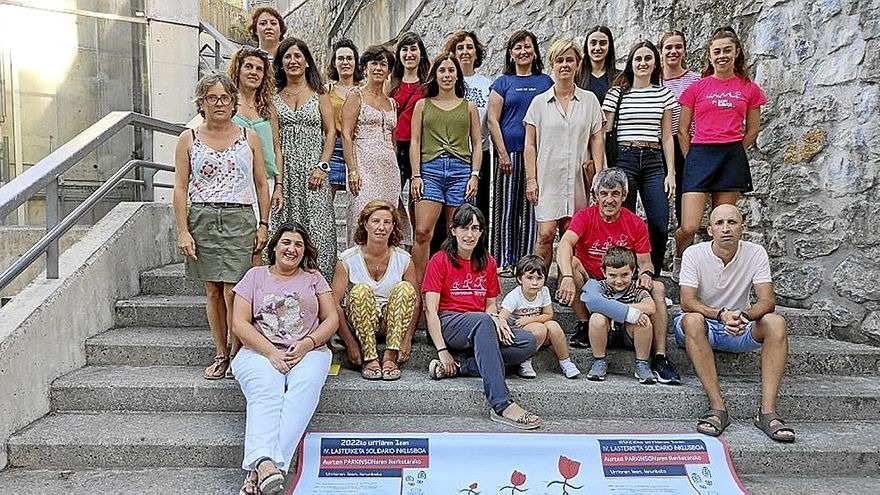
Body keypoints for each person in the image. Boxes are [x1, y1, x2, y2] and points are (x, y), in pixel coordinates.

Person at [173, 73, 270, 381]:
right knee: (213, 290)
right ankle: (221, 352)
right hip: (202, 217)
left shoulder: (248, 137)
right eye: (211, 98)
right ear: (201, 102)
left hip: (239, 217)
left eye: (224, 98)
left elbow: (260, 183)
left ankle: (238, 351)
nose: (219, 103)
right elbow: (179, 187)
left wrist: (263, 223)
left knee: (235, 290)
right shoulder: (188, 138)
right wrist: (182, 230)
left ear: (233, 101)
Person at [230, 223, 338, 495]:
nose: (292, 249)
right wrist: (270, 352)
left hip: (309, 351)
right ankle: (270, 467)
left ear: (305, 251)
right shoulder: (254, 276)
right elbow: (239, 324)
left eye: (299, 245)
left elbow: (332, 318)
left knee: (303, 393)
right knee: (267, 390)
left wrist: (307, 344)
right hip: (258, 350)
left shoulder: (314, 277)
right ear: (275, 247)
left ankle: (261, 469)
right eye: (286, 243)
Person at [675, 204, 794, 443]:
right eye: (719, 223)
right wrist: (720, 315)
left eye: (731, 222)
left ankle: (767, 412)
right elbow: (687, 301)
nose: (726, 228)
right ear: (710, 230)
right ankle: (717, 408)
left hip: (739, 325)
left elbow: (767, 300)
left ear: (743, 228)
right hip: (704, 325)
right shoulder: (694, 254)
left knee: (776, 322)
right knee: (692, 319)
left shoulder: (756, 252)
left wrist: (743, 316)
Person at [556, 168, 681, 385]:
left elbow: (645, 262)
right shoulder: (585, 216)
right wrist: (566, 275)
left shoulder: (635, 223)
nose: (609, 200)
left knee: (659, 288)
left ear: (624, 195)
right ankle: (585, 324)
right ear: (595, 195)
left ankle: (660, 356)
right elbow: (565, 243)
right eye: (604, 193)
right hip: (593, 281)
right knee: (571, 263)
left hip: (622, 283)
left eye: (615, 194)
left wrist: (646, 275)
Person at [422, 204, 541, 429]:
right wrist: (442, 350)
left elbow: (490, 306)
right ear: (453, 230)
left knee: (528, 341)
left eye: (475, 228)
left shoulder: (487, 262)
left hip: (480, 324)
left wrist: (498, 320)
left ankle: (460, 367)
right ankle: (502, 404)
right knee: (483, 321)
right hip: (450, 323)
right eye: (465, 228)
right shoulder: (439, 260)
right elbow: (431, 310)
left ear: (481, 232)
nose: (470, 234)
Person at [672, 27, 767, 282]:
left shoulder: (749, 88)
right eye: (717, 51)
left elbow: (753, 130)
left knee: (723, 225)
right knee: (689, 226)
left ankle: (717, 273)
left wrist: (733, 150)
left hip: (730, 157)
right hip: (700, 155)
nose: (722, 55)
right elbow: (682, 130)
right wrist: (692, 157)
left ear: (736, 53)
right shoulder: (697, 88)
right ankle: (680, 259)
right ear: (709, 56)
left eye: (727, 50)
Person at [524, 38, 605, 269]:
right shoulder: (539, 103)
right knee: (546, 234)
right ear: (552, 64)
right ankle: (536, 283)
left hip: (578, 180)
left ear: (578, 64)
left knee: (572, 234)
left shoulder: (589, 101)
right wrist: (531, 180)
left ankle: (566, 282)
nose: (565, 65)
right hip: (547, 178)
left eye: (570, 60)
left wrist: (598, 176)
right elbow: (530, 144)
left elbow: (597, 138)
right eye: (560, 60)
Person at [602, 41, 677, 275]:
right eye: (638, 59)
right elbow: (605, 133)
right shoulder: (617, 93)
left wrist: (671, 172)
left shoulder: (663, 94)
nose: (643, 63)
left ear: (655, 62)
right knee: (624, 219)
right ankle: (624, 270)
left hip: (654, 160)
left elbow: (667, 137)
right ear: (631, 63)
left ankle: (651, 271)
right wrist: (605, 168)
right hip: (625, 158)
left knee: (659, 220)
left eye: (648, 58)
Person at [410, 52, 482, 283]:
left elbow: (478, 143)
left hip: (461, 170)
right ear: (435, 75)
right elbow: (415, 142)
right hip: (429, 169)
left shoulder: (468, 106)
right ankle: (418, 284)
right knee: (422, 231)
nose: (447, 75)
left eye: (451, 70)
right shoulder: (423, 105)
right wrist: (416, 175)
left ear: (457, 75)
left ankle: (453, 282)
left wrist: (475, 175)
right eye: (442, 70)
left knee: (459, 232)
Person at [487, 30, 553, 276]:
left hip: (538, 155)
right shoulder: (503, 82)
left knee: (532, 209)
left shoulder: (545, 82)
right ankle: (505, 259)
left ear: (535, 51)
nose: (523, 51)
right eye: (518, 47)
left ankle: (526, 262)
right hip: (510, 153)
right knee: (507, 209)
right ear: (511, 53)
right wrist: (502, 153)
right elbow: (493, 120)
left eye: (527, 46)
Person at [271, 37, 338, 281]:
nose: (292, 61)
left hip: (315, 173)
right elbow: (275, 144)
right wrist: (279, 181)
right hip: (287, 172)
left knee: (320, 231)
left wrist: (322, 166)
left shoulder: (320, 95)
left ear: (307, 62)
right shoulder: (273, 98)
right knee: (285, 228)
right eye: (287, 56)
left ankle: (323, 289)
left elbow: (331, 132)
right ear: (281, 63)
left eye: (297, 56)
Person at [331, 200, 419, 380]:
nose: (381, 227)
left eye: (387, 222)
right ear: (365, 223)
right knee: (360, 290)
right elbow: (334, 305)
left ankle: (389, 356)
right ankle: (370, 358)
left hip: (392, 323)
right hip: (361, 321)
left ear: (394, 226)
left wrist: (407, 338)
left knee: (405, 288)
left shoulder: (404, 259)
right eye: (375, 221)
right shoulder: (347, 259)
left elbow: (416, 301)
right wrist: (350, 344)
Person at [228, 46, 284, 265]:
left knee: (259, 244)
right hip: (236, 182)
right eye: (248, 67)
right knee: (238, 244)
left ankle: (253, 295)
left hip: (265, 182)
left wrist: (278, 184)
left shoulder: (268, 107)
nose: (253, 72)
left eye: (259, 69)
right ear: (238, 70)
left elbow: (277, 148)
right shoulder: (229, 105)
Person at [342, 45, 399, 244]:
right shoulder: (356, 95)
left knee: (387, 219)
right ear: (365, 68)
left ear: (389, 70)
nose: (378, 68)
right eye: (374, 63)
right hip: (364, 164)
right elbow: (346, 134)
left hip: (388, 169)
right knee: (362, 216)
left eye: (383, 64)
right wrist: (352, 170)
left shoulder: (392, 103)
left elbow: (393, 139)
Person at [581, 247, 656, 384]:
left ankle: (642, 363)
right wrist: (618, 313)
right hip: (606, 334)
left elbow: (650, 306)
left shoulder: (636, 288)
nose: (619, 281)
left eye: (624, 275)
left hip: (629, 334)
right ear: (604, 272)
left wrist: (616, 312)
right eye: (613, 275)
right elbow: (590, 301)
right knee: (597, 317)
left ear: (633, 272)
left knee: (644, 319)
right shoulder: (598, 286)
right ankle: (599, 360)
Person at [500, 254, 581, 379]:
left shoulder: (544, 291)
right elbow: (502, 318)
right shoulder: (514, 296)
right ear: (520, 279)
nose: (535, 283)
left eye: (539, 278)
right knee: (540, 328)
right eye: (530, 278)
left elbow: (549, 315)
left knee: (553, 326)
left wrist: (530, 319)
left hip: (539, 332)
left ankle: (565, 362)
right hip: (520, 336)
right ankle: (525, 361)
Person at [444, 30, 492, 224]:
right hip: (453, 153)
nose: (465, 52)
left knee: (478, 208)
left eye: (469, 47)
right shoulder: (448, 82)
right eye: (460, 48)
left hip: (480, 152)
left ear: (476, 52)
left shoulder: (487, 85)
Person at [388, 31, 430, 246]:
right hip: (394, 147)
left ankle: (415, 245)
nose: (409, 53)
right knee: (391, 197)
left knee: (418, 200)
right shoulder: (391, 83)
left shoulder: (428, 84)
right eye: (405, 49)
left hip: (419, 148)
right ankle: (399, 239)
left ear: (421, 53)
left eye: (413, 49)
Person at [659, 30, 701, 227]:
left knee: (685, 200)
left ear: (684, 50)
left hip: (686, 142)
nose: (673, 51)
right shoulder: (653, 81)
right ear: (661, 51)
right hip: (660, 144)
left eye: (678, 47)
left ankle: (684, 251)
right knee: (658, 201)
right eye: (668, 47)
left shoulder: (696, 80)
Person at [325, 39, 363, 198]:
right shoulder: (326, 91)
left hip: (357, 147)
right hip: (333, 148)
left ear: (355, 62)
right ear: (334, 63)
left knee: (360, 199)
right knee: (325, 201)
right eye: (341, 58)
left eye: (349, 58)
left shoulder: (364, 91)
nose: (345, 62)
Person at [575, 26, 618, 102]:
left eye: (603, 43)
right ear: (587, 46)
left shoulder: (619, 77)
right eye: (593, 43)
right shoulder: (576, 77)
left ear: (609, 46)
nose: (597, 48)